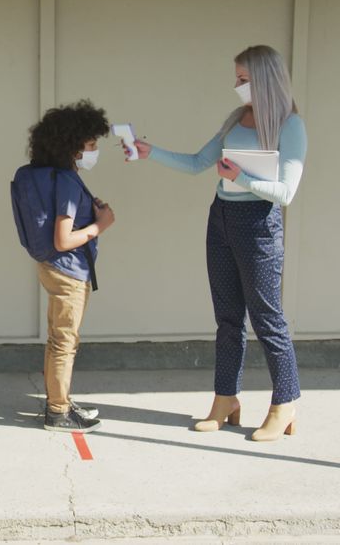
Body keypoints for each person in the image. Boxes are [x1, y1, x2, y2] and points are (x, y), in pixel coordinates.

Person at [127, 45, 307, 442]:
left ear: (264, 79)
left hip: (258, 225)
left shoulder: (290, 126)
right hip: (221, 219)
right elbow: (196, 163)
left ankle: (285, 402)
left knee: (267, 318)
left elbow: (286, 192)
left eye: (243, 79)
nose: (237, 86)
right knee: (227, 319)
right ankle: (225, 399)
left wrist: (241, 177)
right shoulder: (234, 120)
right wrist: (150, 152)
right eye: (237, 79)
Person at [24, 100, 115, 432]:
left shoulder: (60, 176)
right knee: (65, 341)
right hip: (68, 270)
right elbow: (63, 238)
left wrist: (90, 211)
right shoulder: (65, 182)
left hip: (53, 267)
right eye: (91, 145)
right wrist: (101, 224)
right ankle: (58, 412)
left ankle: (58, 400)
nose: (94, 151)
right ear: (73, 148)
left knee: (57, 338)